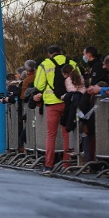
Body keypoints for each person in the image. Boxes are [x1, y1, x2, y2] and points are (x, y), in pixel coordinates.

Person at [33, 45, 78, 173]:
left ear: (49, 54)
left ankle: (49, 165)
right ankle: (67, 165)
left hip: (52, 103)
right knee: (67, 134)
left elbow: (39, 85)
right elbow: (79, 82)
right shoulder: (72, 63)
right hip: (69, 102)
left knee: (51, 134)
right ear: (60, 52)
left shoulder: (45, 64)